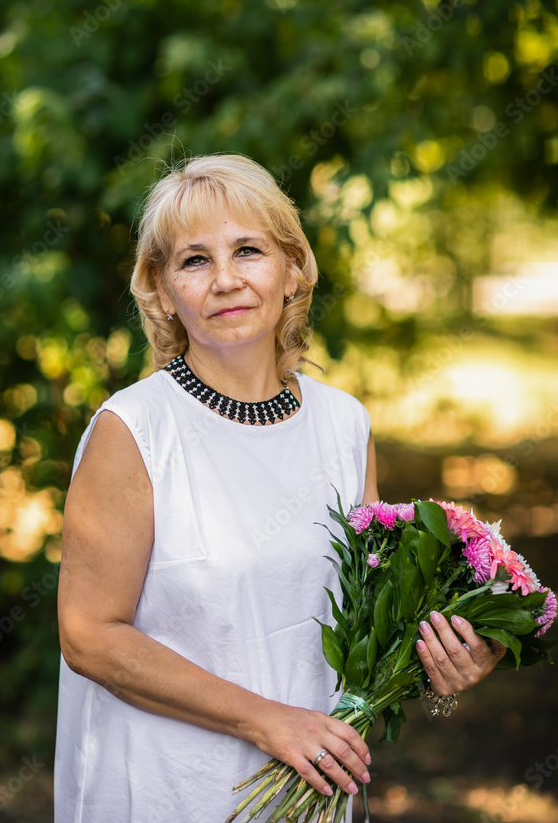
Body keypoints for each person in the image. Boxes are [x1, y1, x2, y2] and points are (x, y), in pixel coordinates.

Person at [54, 154, 505, 823]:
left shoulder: (343, 424)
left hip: (308, 796)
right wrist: (266, 721)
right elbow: (89, 634)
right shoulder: (136, 429)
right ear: (159, 287)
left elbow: (354, 623)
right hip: (164, 789)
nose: (226, 280)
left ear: (293, 268)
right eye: (194, 260)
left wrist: (449, 661)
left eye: (247, 250)